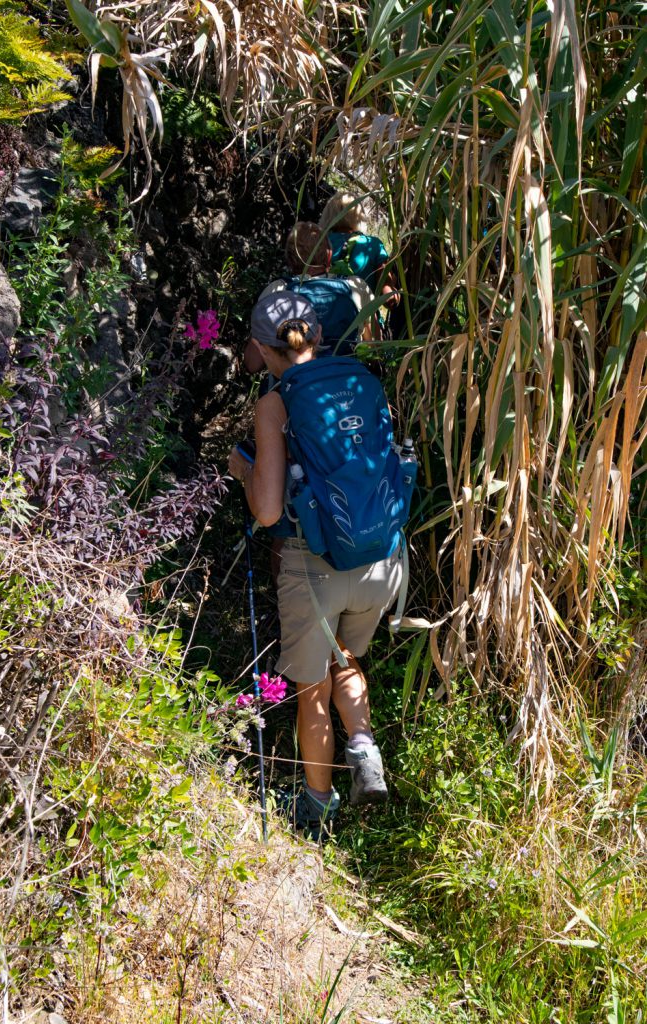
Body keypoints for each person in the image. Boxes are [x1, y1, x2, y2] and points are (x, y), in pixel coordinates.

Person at [229, 291, 404, 838]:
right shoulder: (362, 380)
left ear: (262, 347)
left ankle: (316, 805)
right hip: (382, 557)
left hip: (316, 565)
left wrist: (241, 470)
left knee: (312, 691)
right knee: (344, 655)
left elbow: (268, 508)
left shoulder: (276, 404)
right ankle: (365, 748)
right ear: (321, 335)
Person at [244, 221, 375, 375]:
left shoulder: (277, 291)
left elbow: (253, 364)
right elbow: (373, 349)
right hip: (347, 384)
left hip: (294, 389)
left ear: (290, 259)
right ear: (329, 254)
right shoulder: (356, 286)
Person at [319, 191, 400, 311]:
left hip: (322, 324)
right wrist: (394, 283)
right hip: (363, 324)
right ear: (359, 216)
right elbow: (389, 299)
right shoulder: (372, 245)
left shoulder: (318, 244)